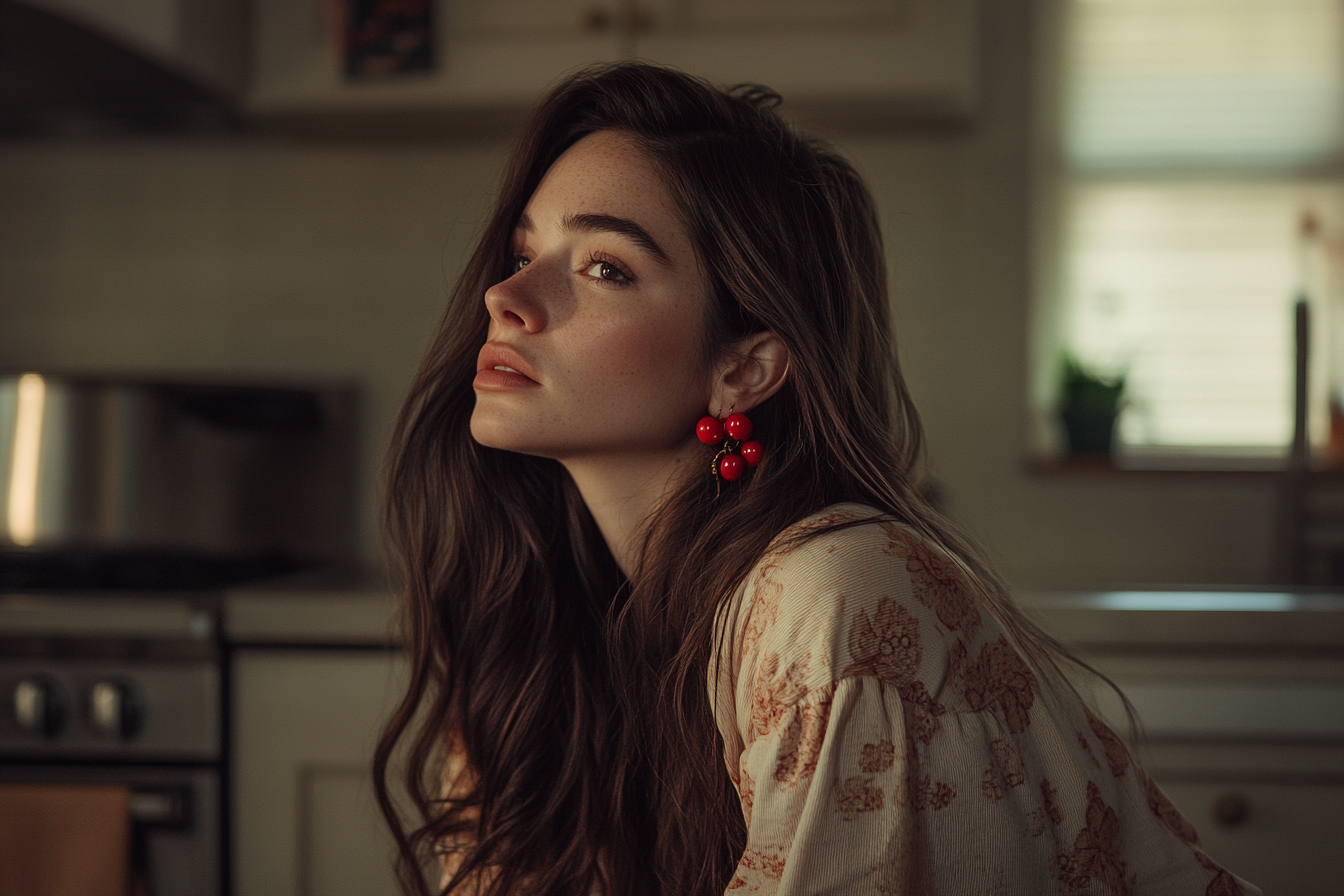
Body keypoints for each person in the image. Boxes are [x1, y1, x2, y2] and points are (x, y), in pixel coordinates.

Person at [374, 62, 1259, 896]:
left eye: (605, 266)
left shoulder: (835, 597)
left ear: (746, 369)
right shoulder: (544, 619)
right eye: (525, 250)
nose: (510, 296)